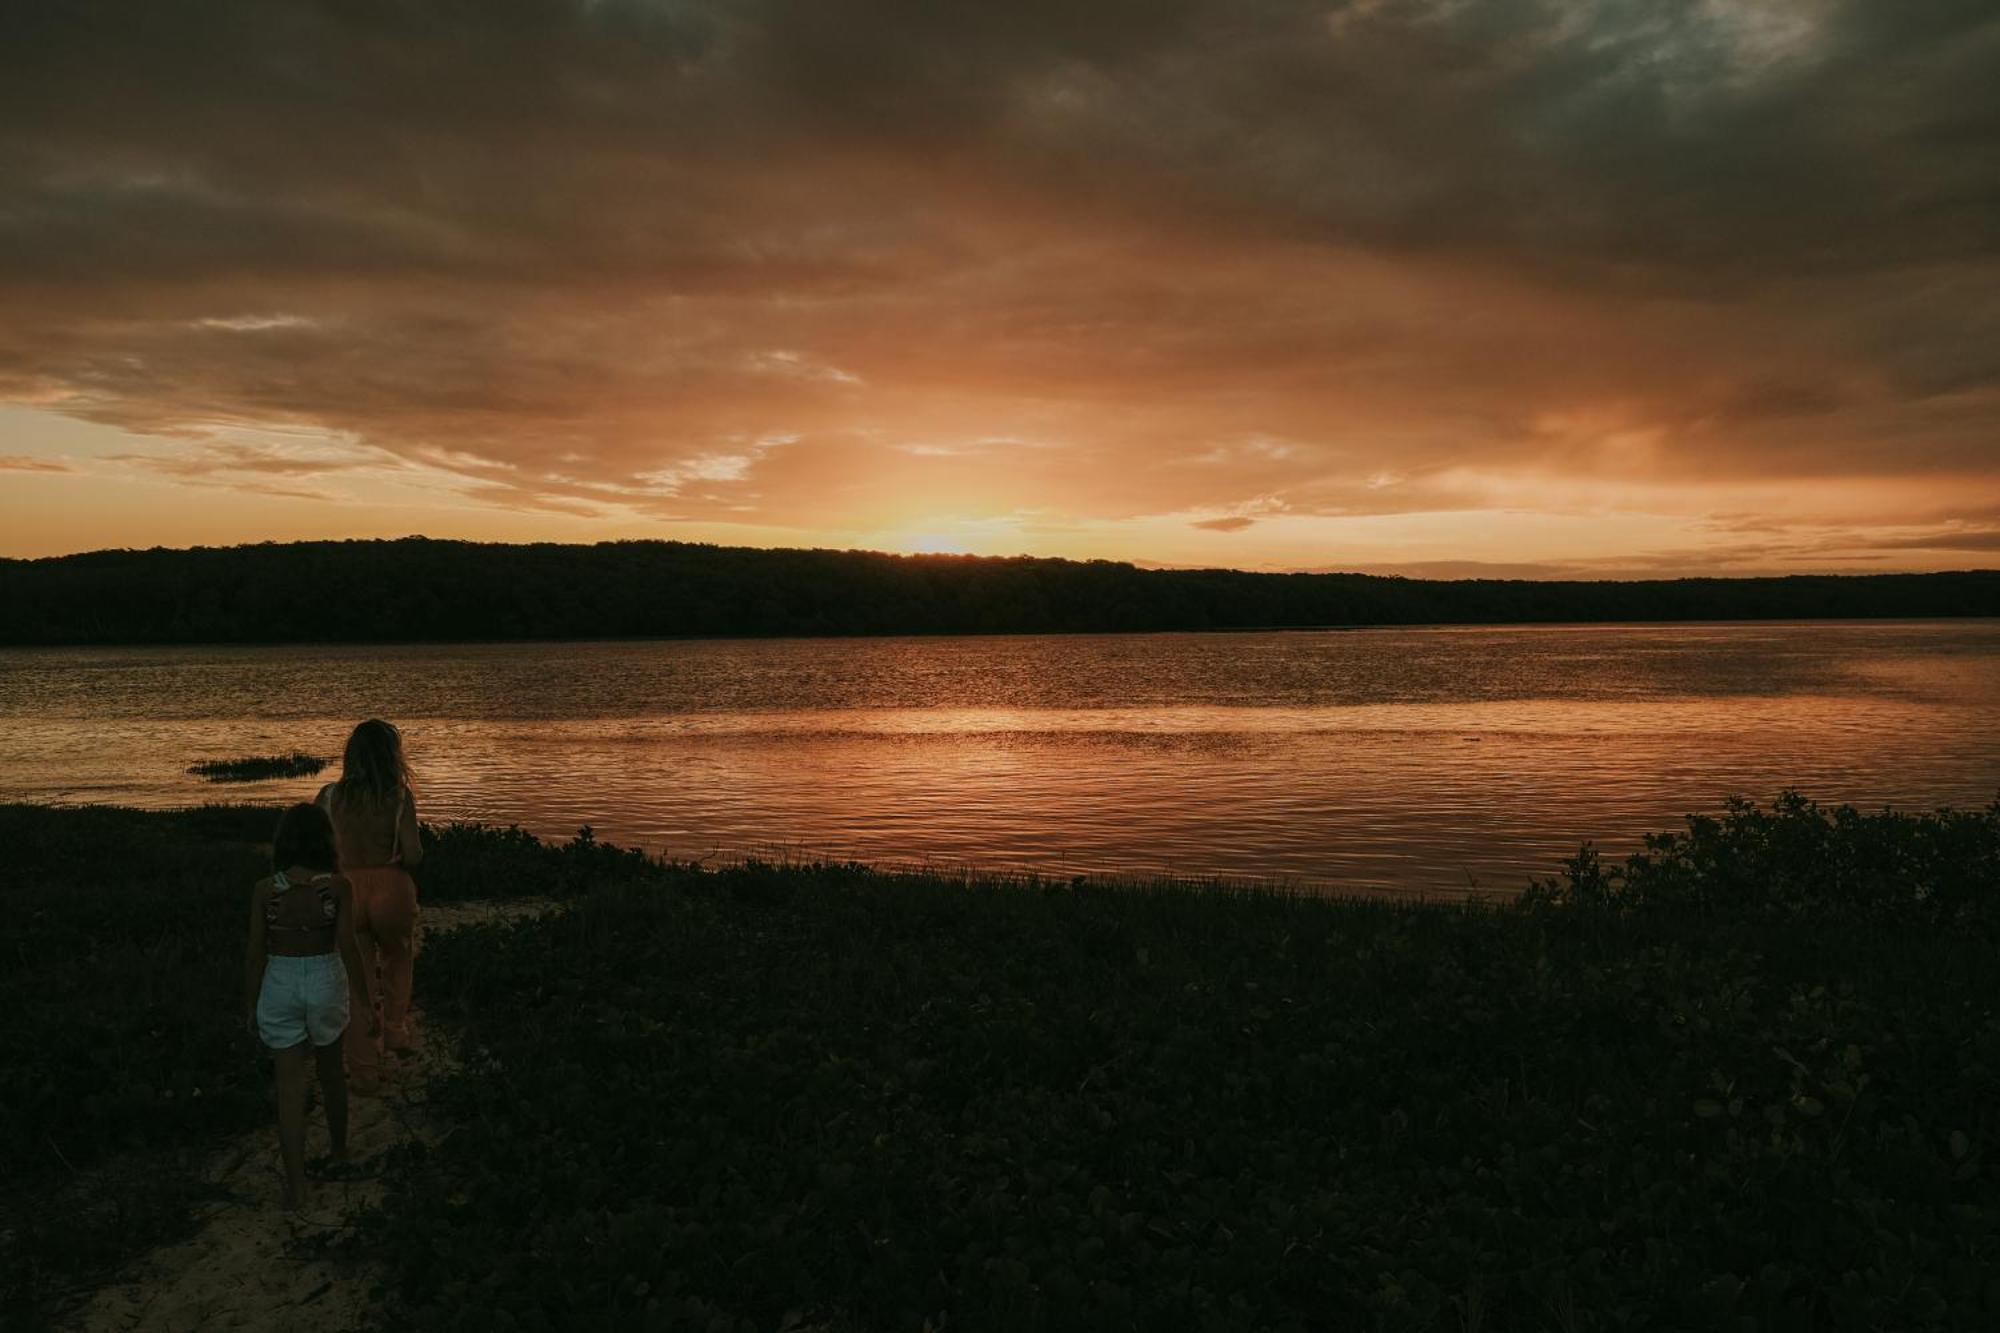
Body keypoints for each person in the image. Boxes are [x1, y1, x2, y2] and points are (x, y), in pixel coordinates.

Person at [244, 802, 376, 1211]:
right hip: (323, 975)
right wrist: (367, 1001)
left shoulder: (266, 890)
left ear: (283, 843)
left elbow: (254, 952)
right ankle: (338, 1153)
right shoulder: (337, 887)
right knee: (332, 1073)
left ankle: (296, 1185)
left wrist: (250, 1005)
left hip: (281, 978)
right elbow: (349, 947)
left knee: (289, 1090)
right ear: (326, 841)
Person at [316, 719, 424, 1095]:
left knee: (356, 979)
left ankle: (363, 1068)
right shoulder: (398, 797)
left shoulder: (330, 796)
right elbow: (412, 855)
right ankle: (395, 1029)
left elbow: (318, 852)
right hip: (391, 887)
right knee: (399, 956)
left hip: (346, 889)